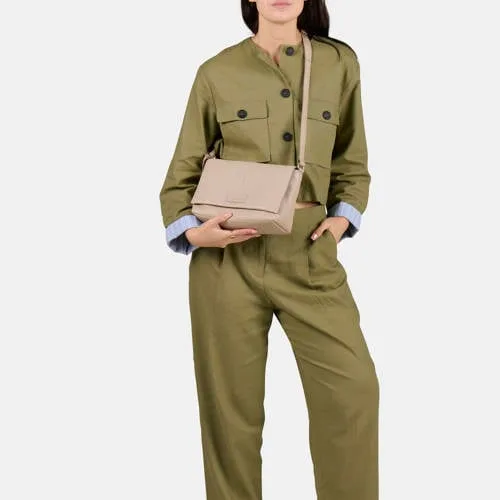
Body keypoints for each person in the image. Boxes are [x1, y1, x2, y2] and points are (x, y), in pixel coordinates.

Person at [158, 1, 379, 498]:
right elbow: (180, 178)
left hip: (311, 255)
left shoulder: (339, 63)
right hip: (225, 261)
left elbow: (352, 159)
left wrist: (342, 220)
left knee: (353, 391)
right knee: (230, 417)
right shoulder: (216, 72)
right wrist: (194, 234)